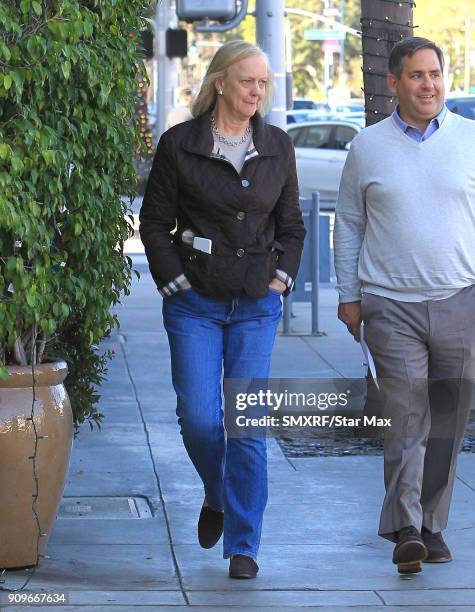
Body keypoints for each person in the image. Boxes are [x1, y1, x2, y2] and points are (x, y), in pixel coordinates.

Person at [139, 40, 305, 579]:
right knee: (201, 419)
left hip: (257, 303)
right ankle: (216, 493)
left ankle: (244, 545)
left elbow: (292, 226)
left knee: (247, 424)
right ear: (220, 83)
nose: (257, 91)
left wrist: (283, 275)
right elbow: (154, 224)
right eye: (248, 81)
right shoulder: (179, 144)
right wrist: (174, 283)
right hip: (196, 305)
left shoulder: (278, 146)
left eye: (263, 83)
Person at [334, 36, 475, 575]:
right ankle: (407, 529)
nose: (428, 85)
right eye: (416, 75)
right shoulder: (366, 147)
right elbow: (348, 223)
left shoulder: (468, 140)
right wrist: (350, 297)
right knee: (405, 418)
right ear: (394, 83)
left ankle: (433, 523)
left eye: (435, 74)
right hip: (390, 305)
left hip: (460, 298)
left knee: (449, 420)